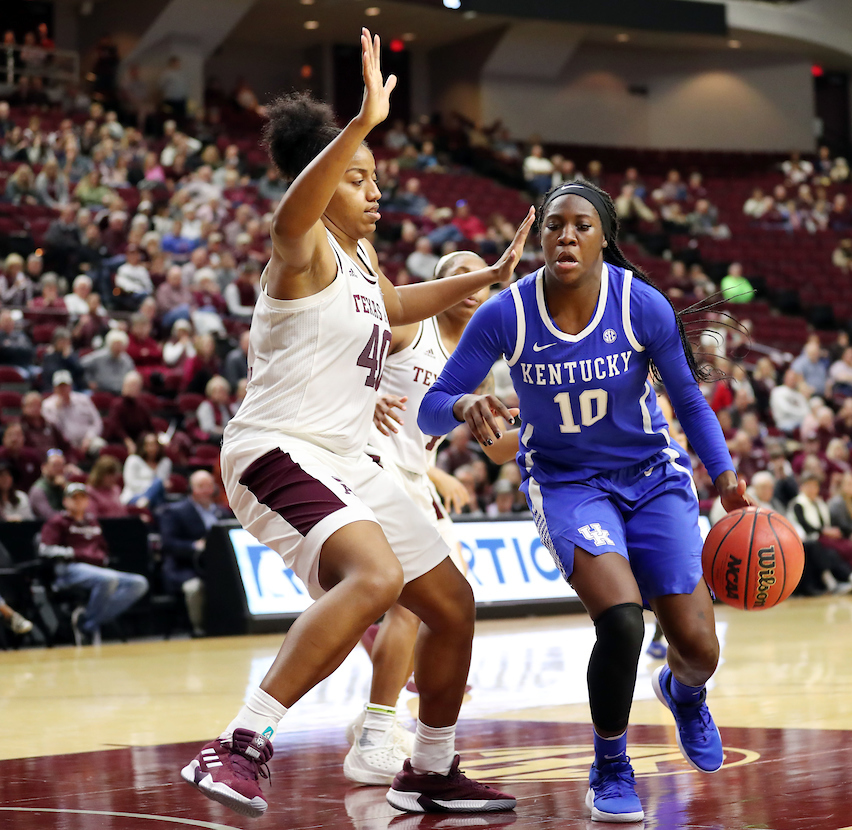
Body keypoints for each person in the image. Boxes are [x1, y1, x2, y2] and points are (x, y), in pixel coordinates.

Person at [180, 31, 524, 819]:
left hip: (345, 458)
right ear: (322, 179)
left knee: (451, 602)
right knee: (374, 578)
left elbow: (398, 304)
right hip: (276, 449)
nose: (375, 192)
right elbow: (291, 213)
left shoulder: (364, 264)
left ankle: (429, 769)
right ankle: (238, 745)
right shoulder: (300, 250)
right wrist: (362, 124)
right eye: (358, 178)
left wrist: (491, 275)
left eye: (375, 178)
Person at [420, 179, 751, 823]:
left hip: (651, 478)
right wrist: (464, 404)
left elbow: (688, 400)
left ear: (604, 239)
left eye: (581, 226)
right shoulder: (508, 313)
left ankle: (684, 694)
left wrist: (725, 476)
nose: (565, 236)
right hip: (569, 484)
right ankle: (611, 763)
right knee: (623, 621)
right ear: (541, 239)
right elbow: (432, 406)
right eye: (554, 226)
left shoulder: (641, 305)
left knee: (699, 649)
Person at [345, 250, 492, 786]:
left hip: (412, 478)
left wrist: (542, 425)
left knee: (448, 607)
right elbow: (341, 351)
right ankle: (374, 736)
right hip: (367, 464)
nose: (472, 286)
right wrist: (361, 398)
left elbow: (496, 446)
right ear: (438, 285)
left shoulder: (477, 362)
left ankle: (377, 720)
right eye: (459, 275)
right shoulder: (412, 325)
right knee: (413, 603)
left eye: (480, 278)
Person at [40, 482, 149, 646]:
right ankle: (90, 624)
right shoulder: (57, 522)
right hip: (70, 569)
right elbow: (45, 549)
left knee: (139, 583)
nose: (78, 501)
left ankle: (87, 621)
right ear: (65, 501)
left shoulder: (92, 522)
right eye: (74, 498)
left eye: (82, 497)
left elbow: (103, 547)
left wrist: (101, 556)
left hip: (97, 569)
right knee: (108, 579)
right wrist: (73, 552)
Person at [159, 471, 223, 637]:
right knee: (194, 587)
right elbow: (168, 544)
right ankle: (199, 629)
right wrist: (195, 545)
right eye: (201, 486)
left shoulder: (223, 512)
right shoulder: (174, 511)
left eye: (209, 486)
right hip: (184, 567)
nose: (206, 490)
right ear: (191, 489)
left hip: (218, 568)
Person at [42, 371, 103, 456]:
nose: (63, 389)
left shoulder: (83, 400)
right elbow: (52, 430)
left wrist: (89, 438)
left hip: (87, 440)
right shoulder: (48, 405)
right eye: (60, 386)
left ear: (70, 386)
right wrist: (58, 410)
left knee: (100, 445)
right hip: (63, 444)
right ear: (54, 388)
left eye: (65, 386)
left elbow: (97, 421)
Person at [28, 449, 68, 522]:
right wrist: (70, 515)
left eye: (62, 465)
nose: (59, 469)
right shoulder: (38, 490)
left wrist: (65, 488)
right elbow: (50, 516)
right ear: (44, 467)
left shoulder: (66, 485)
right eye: (55, 465)